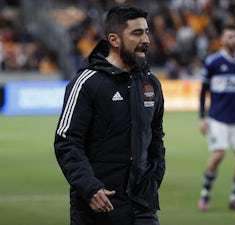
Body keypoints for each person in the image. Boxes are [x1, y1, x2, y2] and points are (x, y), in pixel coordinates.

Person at [54, 5, 166, 225]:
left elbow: (156, 137)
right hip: (98, 207)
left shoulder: (150, 84)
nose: (146, 39)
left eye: (146, 31)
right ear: (114, 40)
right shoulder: (86, 82)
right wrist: (90, 188)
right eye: (136, 33)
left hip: (143, 207)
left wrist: (153, 179)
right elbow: (67, 142)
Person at [197, 22, 235, 212]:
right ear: (222, 40)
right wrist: (202, 117)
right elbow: (203, 91)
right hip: (217, 119)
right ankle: (205, 194)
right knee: (218, 155)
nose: (234, 40)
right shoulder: (213, 62)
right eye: (230, 36)